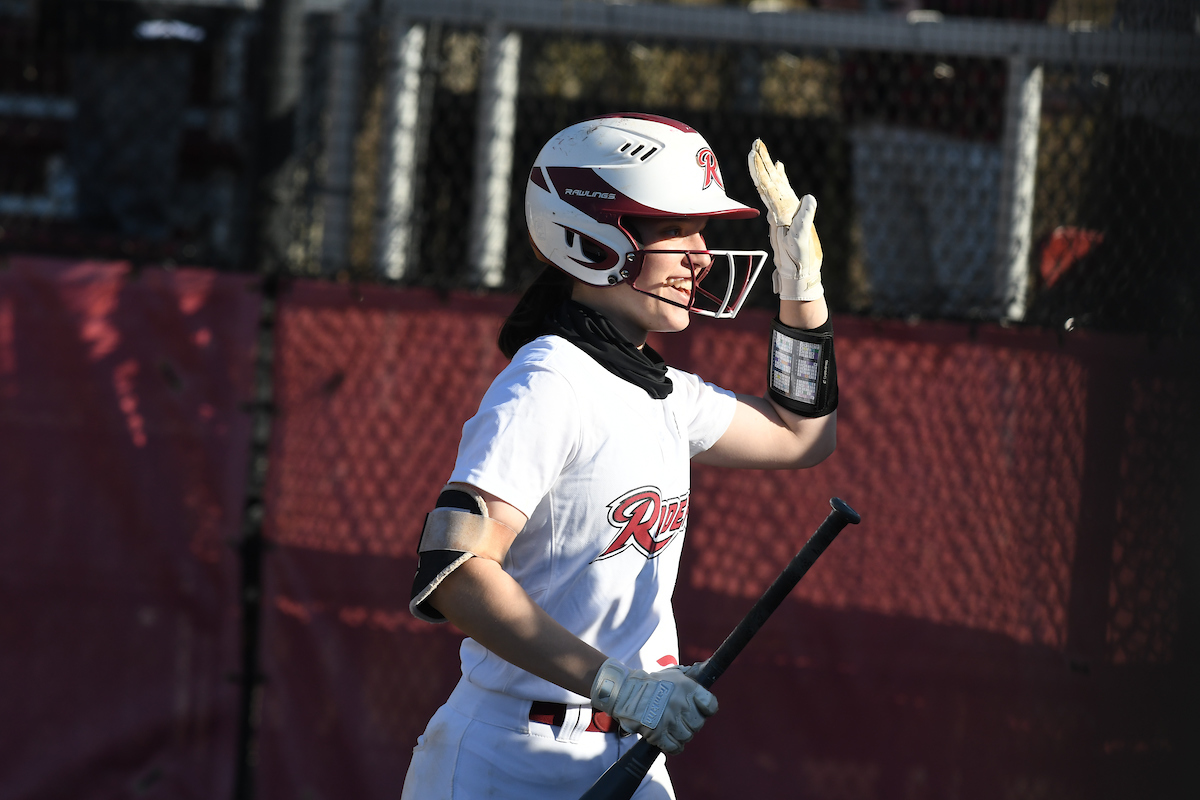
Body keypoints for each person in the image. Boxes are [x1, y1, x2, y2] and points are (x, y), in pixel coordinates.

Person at [401, 113, 839, 799]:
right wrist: (619, 687)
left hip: (627, 749)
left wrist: (801, 286)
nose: (701, 256)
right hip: (511, 757)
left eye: (701, 230)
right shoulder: (547, 382)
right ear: (590, 237)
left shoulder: (662, 391)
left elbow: (802, 434)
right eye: (675, 229)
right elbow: (455, 574)